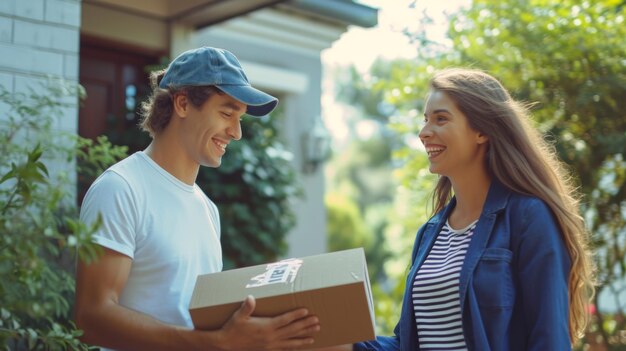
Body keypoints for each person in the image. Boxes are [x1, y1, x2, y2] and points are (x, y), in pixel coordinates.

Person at [320, 68, 596, 351]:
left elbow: (549, 339)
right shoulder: (429, 233)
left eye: (441, 119)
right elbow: (408, 344)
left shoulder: (528, 216)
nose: (424, 133)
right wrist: (342, 345)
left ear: (482, 130)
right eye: (425, 120)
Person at [75, 47, 320, 351]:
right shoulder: (121, 189)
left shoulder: (207, 208)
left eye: (240, 118)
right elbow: (92, 316)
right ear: (182, 104)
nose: (236, 132)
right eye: (227, 113)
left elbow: (196, 322)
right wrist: (209, 344)